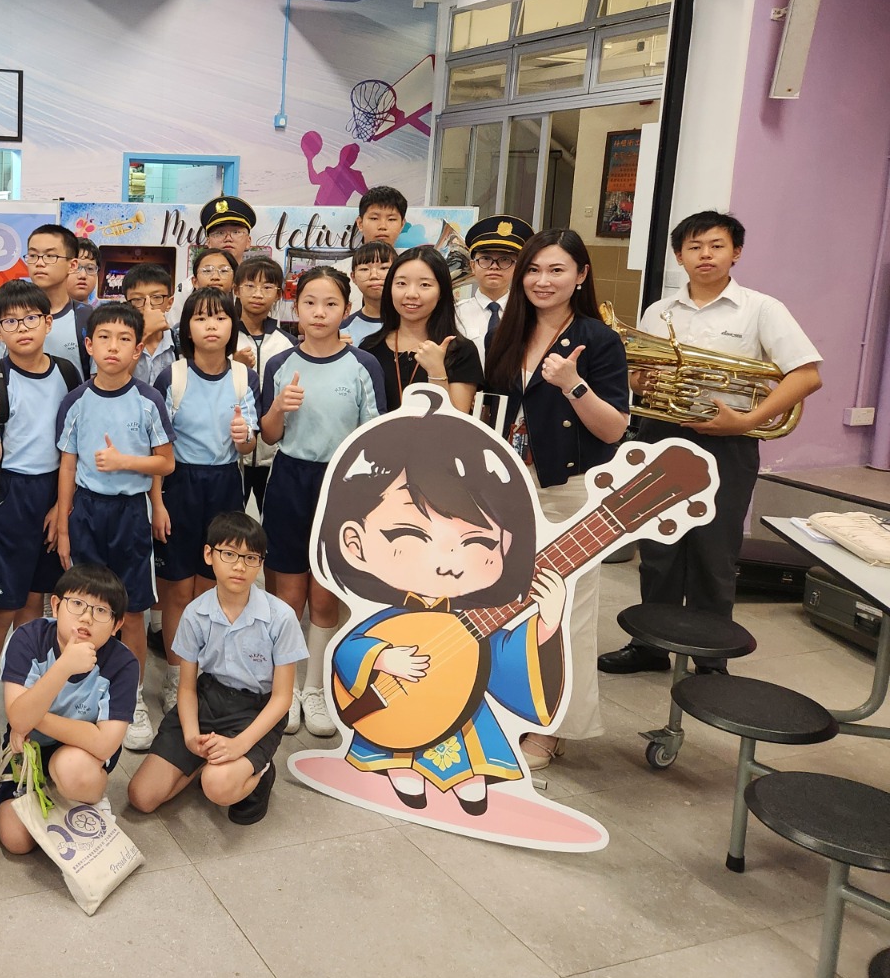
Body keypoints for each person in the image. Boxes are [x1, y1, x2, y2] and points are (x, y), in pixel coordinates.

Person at [319, 390, 565, 815]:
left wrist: (546, 624)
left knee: (470, 748)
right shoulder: (389, 620)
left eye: (476, 542)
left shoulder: (475, 621)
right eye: (414, 535)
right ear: (354, 542)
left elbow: (504, 660)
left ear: (506, 545)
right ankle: (400, 765)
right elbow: (350, 649)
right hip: (389, 712)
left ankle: (466, 778)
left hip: (458, 706)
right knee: (397, 743)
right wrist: (381, 657)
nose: (449, 563)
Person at [599, 211, 822, 675]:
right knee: (658, 548)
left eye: (717, 246)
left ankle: (710, 657)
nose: (705, 255)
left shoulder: (762, 309)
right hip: (662, 438)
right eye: (694, 247)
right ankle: (649, 646)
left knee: (714, 551)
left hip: (730, 443)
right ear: (679, 256)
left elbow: (806, 375)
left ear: (736, 252)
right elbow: (641, 377)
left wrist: (747, 421)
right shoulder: (659, 311)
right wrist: (639, 381)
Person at [484, 228, 629, 769]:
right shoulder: (508, 330)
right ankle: (504, 706)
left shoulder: (599, 339)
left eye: (557, 270)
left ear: (581, 275)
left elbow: (614, 428)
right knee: (503, 605)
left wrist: (573, 383)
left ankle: (553, 727)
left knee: (567, 611)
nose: (542, 281)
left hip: (567, 491)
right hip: (506, 488)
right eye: (534, 270)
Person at [259, 266, 384, 737]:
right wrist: (278, 408)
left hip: (343, 484)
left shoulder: (363, 365)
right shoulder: (278, 364)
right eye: (309, 302)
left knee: (325, 594)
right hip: (290, 480)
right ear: (295, 308)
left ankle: (315, 689)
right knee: (289, 594)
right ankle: (286, 691)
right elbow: (268, 436)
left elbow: (375, 435)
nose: (319, 312)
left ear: (346, 310)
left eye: (331, 304)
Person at [126, 512, 304, 826]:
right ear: (209, 555)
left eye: (251, 558)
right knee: (142, 797)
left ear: (260, 563)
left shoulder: (281, 617)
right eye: (229, 554)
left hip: (256, 708)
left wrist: (240, 745)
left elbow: (282, 699)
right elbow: (186, 687)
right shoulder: (195, 613)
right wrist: (192, 736)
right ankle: (203, 759)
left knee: (216, 786)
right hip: (209, 698)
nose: (240, 566)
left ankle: (261, 772)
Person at [55, 300, 176, 751]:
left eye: (125, 339)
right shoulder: (76, 400)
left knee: (132, 610)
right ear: (88, 345)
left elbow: (166, 462)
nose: (113, 346)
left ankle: (132, 698)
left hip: (130, 513)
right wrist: (64, 526)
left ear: (138, 349)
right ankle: (81, 690)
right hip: (86, 512)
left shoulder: (149, 400)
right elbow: (68, 465)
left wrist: (125, 462)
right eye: (104, 337)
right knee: (82, 605)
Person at [0, 280, 83, 746]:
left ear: (48, 322)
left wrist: (61, 505)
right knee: (1, 605)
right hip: (6, 496)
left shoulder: (68, 373)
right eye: (10, 322)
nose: (22, 328)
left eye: (31, 318)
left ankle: (25, 692)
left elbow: (70, 446)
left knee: (36, 603)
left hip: (54, 492)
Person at [151, 288, 258, 714]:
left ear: (233, 326)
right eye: (200, 318)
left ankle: (205, 673)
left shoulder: (243, 378)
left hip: (225, 486)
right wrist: (157, 503)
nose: (211, 326)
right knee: (177, 590)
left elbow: (250, 445)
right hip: (178, 486)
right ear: (187, 327)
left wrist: (244, 438)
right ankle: (176, 675)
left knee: (214, 586)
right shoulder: (171, 377)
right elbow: (156, 447)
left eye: (220, 317)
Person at [0, 563, 139, 850]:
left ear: (117, 625)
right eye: (77, 604)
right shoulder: (28, 638)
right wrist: (64, 666)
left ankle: (86, 798)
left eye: (101, 610)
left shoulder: (123, 663)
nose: (86, 617)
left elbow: (104, 745)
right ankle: (54, 795)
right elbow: (19, 719)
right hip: (30, 750)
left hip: (82, 755)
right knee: (17, 842)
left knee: (71, 768)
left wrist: (33, 718)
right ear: (56, 605)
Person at [360, 247, 483, 415]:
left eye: (425, 285)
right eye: (401, 283)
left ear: (441, 292)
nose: (411, 294)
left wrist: (437, 371)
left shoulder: (460, 351)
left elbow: (457, 422)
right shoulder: (370, 349)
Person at [233, 257, 295, 512]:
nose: (258, 294)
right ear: (236, 290)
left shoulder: (288, 344)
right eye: (250, 286)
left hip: (274, 456)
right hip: (234, 454)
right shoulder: (224, 339)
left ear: (278, 294)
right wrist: (233, 366)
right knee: (230, 524)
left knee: (274, 521)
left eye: (267, 287)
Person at [456, 215, 534, 365]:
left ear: (517, 267)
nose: (494, 266)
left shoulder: (528, 314)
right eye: (486, 259)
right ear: (473, 266)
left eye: (505, 259)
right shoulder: (455, 314)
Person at [172, 195, 257, 322]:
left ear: (248, 241)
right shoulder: (188, 288)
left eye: (236, 232)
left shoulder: (258, 286)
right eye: (220, 233)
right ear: (208, 242)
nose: (228, 238)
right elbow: (176, 328)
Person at [28, 224, 92, 378]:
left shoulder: (87, 317)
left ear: (72, 265)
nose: (39, 263)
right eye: (33, 255)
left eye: (50, 256)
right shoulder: (12, 317)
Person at [123, 264, 176, 386]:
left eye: (156, 297)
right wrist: (145, 333)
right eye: (137, 299)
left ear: (169, 303)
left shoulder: (180, 342)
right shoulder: (115, 340)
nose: (148, 306)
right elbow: (112, 384)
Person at [341, 240, 395, 345]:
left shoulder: (413, 323)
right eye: (364, 269)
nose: (374, 275)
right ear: (353, 277)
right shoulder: (342, 329)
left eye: (384, 268)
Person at [70, 238, 100, 305]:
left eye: (90, 268)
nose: (83, 275)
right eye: (76, 268)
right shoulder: (47, 311)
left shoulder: (101, 312)